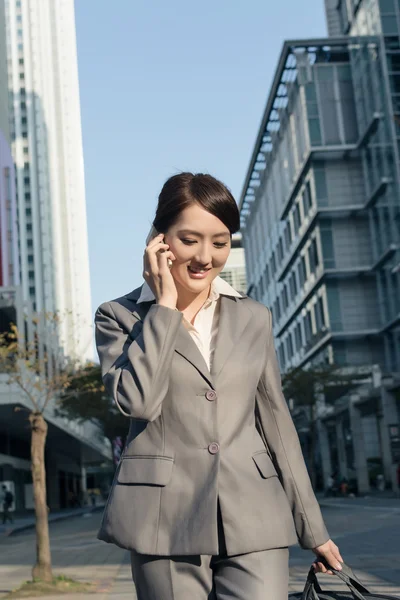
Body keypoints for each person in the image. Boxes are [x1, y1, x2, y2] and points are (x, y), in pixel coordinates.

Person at [95, 173, 343, 600]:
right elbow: (138, 401)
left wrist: (313, 528)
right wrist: (165, 308)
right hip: (162, 519)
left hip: (255, 513)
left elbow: (276, 424)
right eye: (189, 239)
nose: (205, 257)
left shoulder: (254, 317)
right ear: (159, 240)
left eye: (220, 241)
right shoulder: (119, 316)